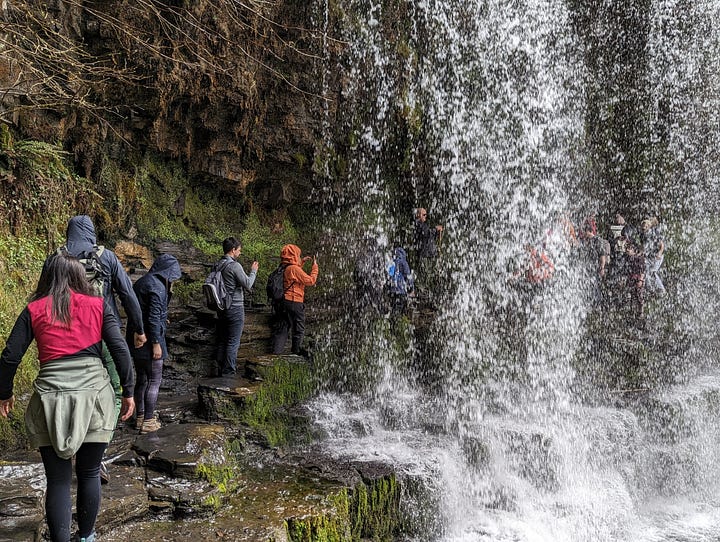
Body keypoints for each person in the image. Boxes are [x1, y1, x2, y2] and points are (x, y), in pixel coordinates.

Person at [0, 253, 135, 542]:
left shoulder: (34, 309)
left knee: (58, 480)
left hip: (50, 399)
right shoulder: (98, 306)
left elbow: (10, 355)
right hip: (95, 397)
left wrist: (5, 393)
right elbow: (120, 351)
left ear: (46, 278)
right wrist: (128, 391)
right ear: (79, 278)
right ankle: (86, 537)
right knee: (88, 473)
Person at [53, 215, 146, 483]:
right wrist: (139, 330)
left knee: (67, 388)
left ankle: (68, 440)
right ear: (92, 232)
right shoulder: (106, 258)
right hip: (104, 334)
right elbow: (128, 295)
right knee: (115, 389)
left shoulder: (57, 258)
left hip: (63, 333)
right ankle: (96, 451)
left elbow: (43, 296)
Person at [126, 254, 181, 433]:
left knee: (141, 378)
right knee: (154, 380)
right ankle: (149, 421)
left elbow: (139, 311)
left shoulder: (142, 282)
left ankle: (140, 416)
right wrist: (157, 342)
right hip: (150, 340)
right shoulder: (158, 287)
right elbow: (153, 317)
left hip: (135, 338)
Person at [215, 237, 258, 376]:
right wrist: (253, 271)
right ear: (233, 250)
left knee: (222, 339)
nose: (240, 253)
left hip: (221, 307)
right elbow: (248, 284)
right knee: (233, 342)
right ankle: (228, 372)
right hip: (235, 308)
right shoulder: (234, 266)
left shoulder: (218, 264)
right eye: (239, 250)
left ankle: (218, 368)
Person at [272, 244, 318, 355]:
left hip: (284, 302)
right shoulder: (294, 269)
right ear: (293, 255)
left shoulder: (284, 267)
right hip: (295, 301)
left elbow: (293, 276)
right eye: (297, 255)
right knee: (299, 329)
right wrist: (315, 267)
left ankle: (276, 354)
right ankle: (295, 354)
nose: (298, 256)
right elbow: (310, 280)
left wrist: (301, 263)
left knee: (283, 329)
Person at [414, 207, 443, 297]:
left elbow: (429, 236)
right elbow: (426, 234)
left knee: (431, 274)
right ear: (418, 215)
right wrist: (435, 229)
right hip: (424, 255)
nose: (426, 216)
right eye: (424, 214)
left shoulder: (424, 225)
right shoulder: (418, 224)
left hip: (429, 255)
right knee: (425, 274)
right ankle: (422, 292)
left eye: (426, 214)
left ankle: (430, 292)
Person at [641, 217, 666, 297]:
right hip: (649, 257)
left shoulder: (654, 234)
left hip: (657, 256)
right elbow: (643, 247)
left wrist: (659, 253)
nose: (643, 228)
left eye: (645, 226)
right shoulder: (643, 235)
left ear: (649, 227)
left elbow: (662, 245)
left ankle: (662, 289)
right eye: (642, 226)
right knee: (645, 271)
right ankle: (650, 290)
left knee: (652, 272)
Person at [386, 246, 414, 316]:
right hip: (401, 289)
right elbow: (408, 276)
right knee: (400, 308)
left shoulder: (391, 262)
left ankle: (392, 319)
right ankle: (397, 320)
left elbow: (388, 275)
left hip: (392, 290)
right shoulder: (404, 263)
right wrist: (411, 288)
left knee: (393, 306)